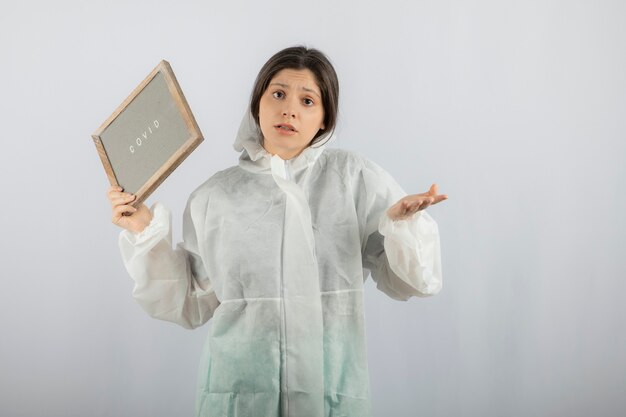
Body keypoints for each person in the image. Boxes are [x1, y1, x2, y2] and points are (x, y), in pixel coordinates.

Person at [107, 46, 448, 417]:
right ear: (258, 105)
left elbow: (412, 282)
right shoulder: (215, 196)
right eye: (278, 94)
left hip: (329, 397)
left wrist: (401, 227)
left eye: (307, 100)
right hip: (238, 397)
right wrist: (144, 230)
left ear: (324, 119)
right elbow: (189, 302)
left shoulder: (354, 180)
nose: (289, 109)